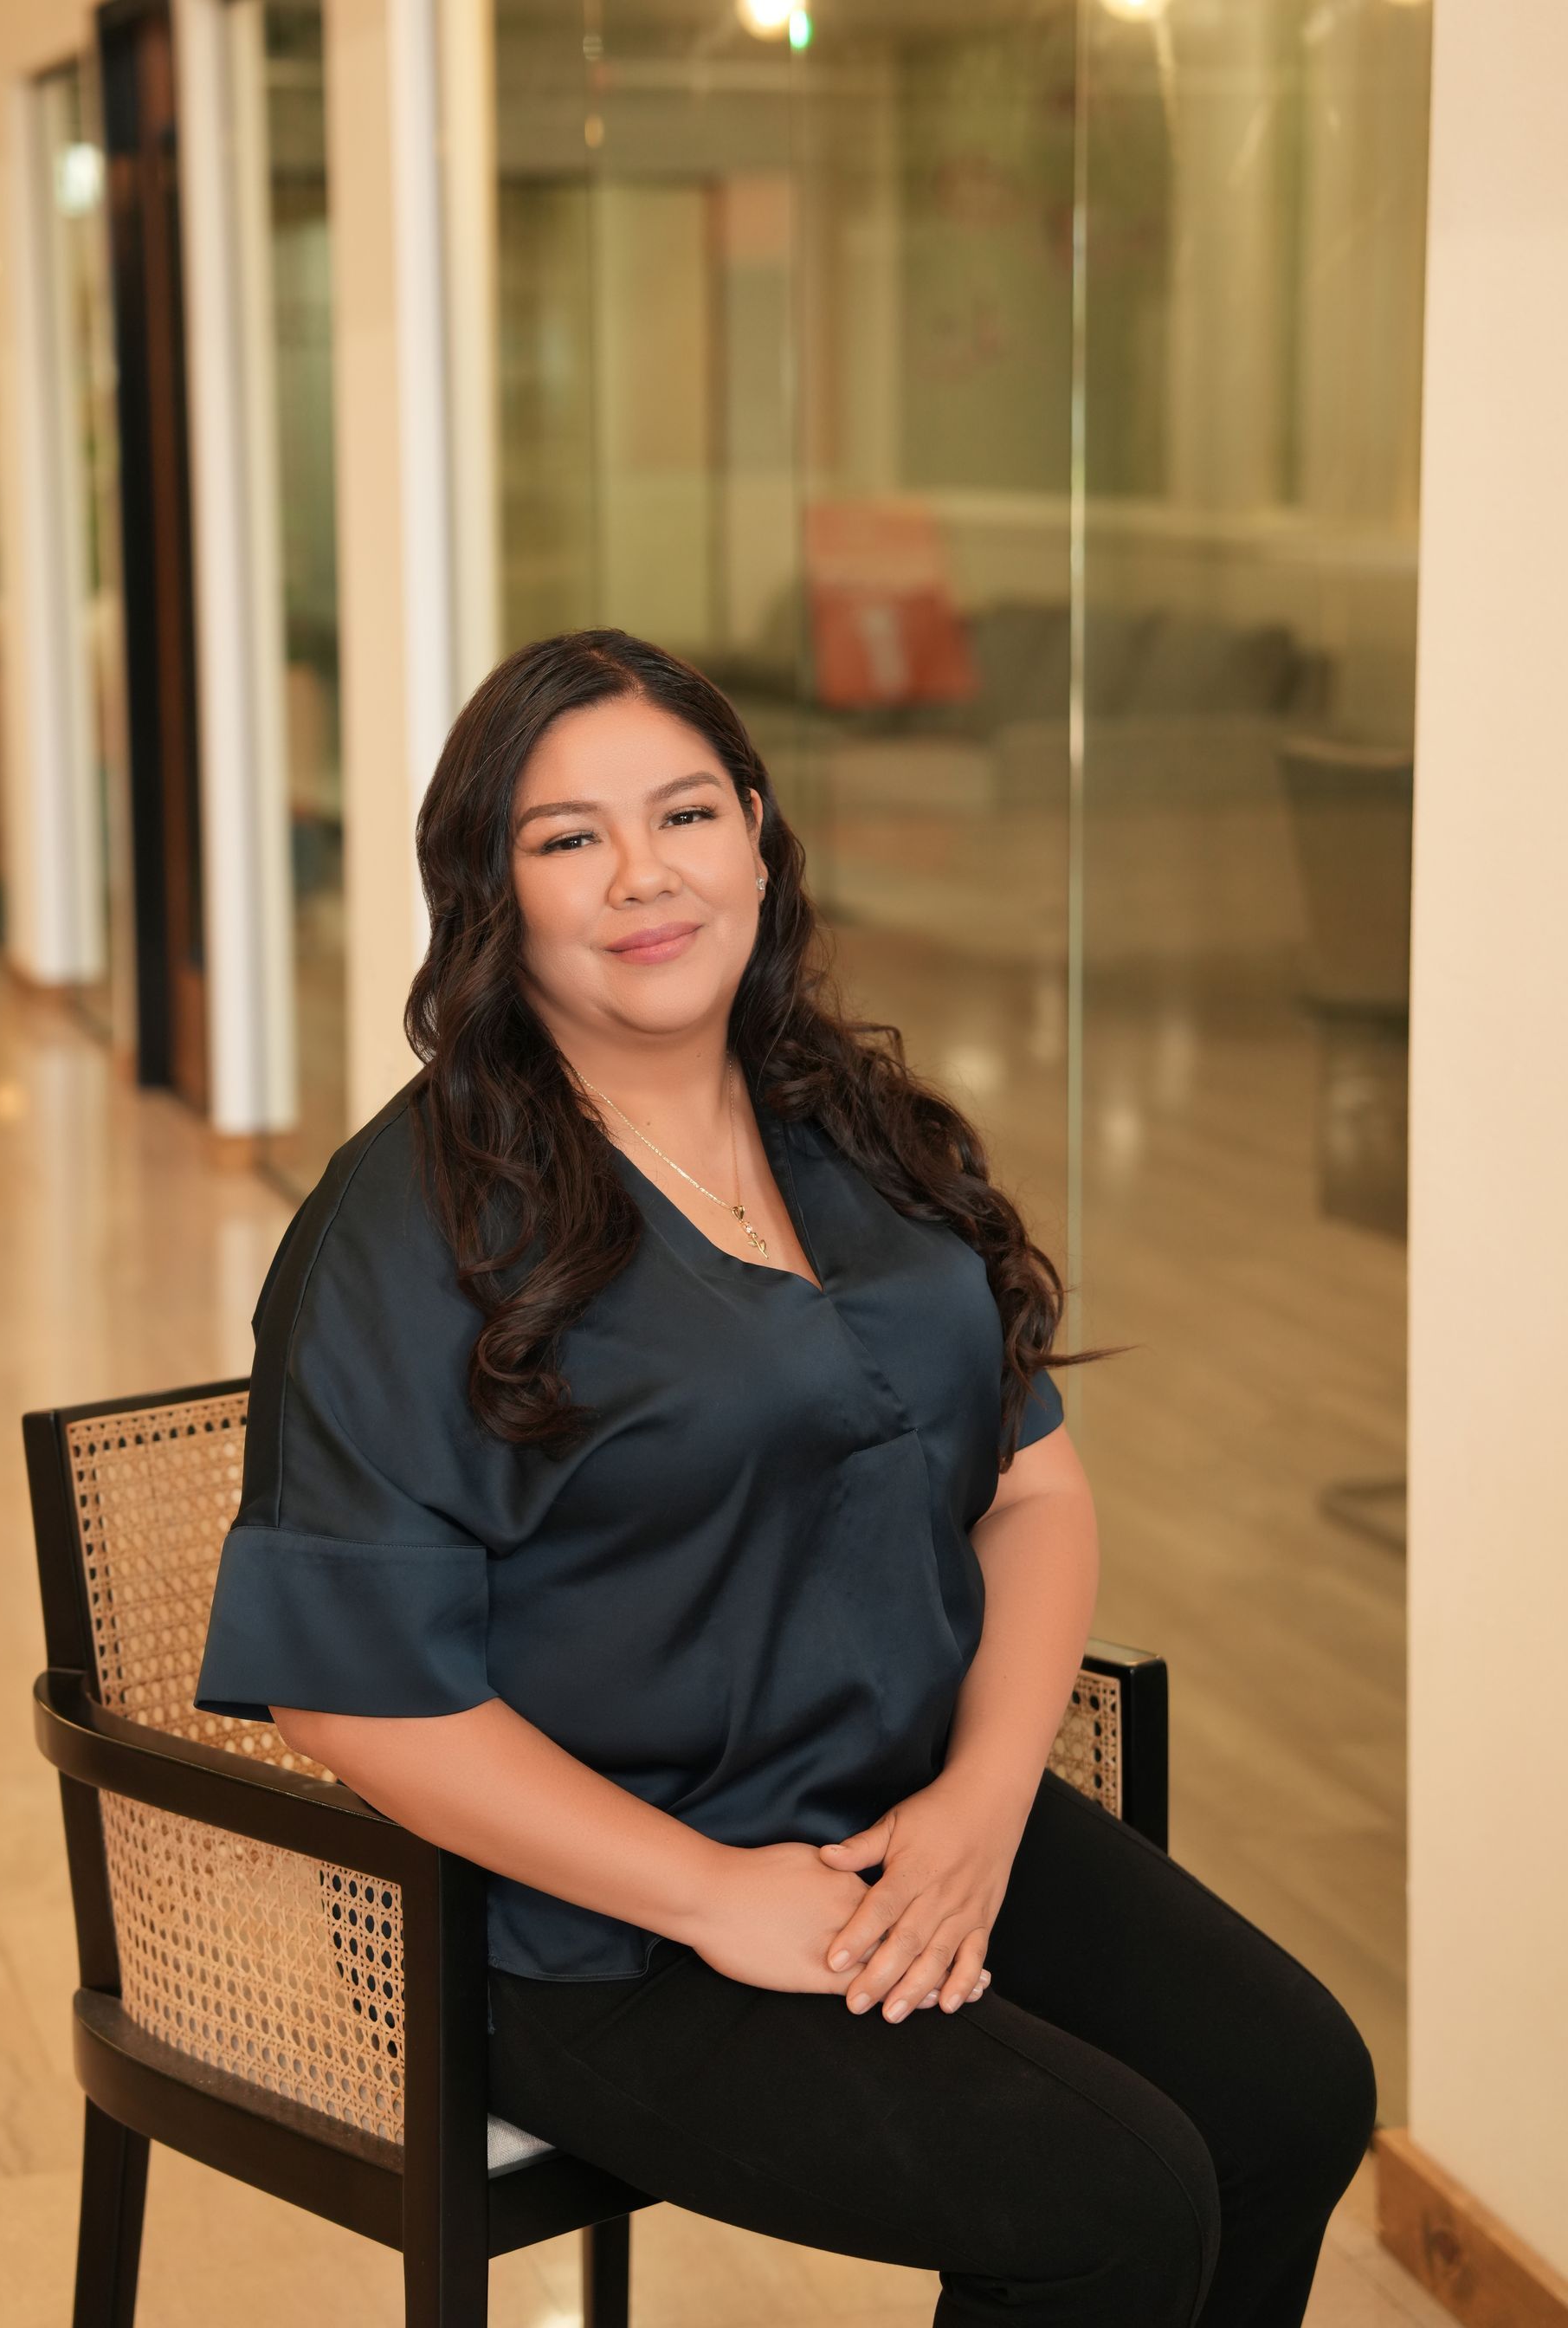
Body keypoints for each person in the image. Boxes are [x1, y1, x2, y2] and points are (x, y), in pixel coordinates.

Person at [193, 629, 1377, 2327]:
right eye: (566, 837)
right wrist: (714, 1896)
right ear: (490, 890)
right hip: (588, 1921)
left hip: (896, 1803)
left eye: (684, 812)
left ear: (757, 832)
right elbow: (349, 1694)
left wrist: (980, 1807)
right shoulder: (412, 1225)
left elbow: (1033, 1490)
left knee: (1292, 2093)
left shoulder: (852, 1124)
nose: (643, 876)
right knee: (1112, 2199)